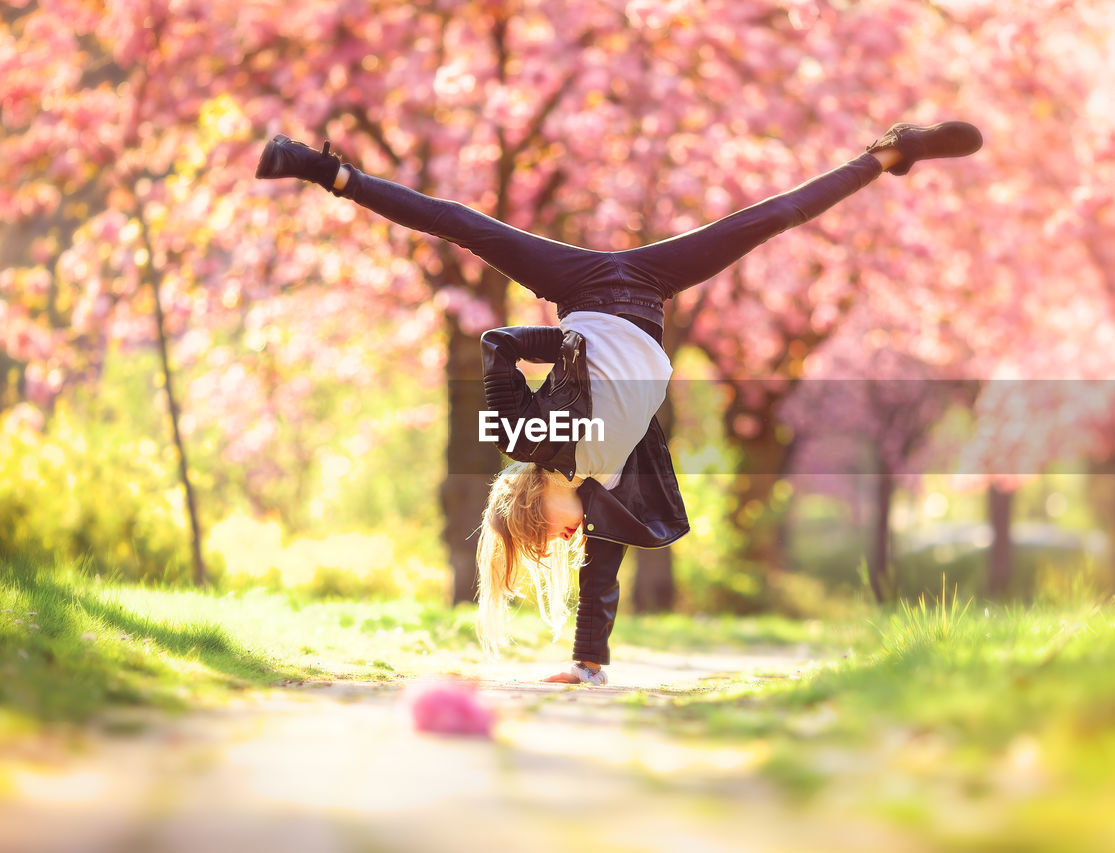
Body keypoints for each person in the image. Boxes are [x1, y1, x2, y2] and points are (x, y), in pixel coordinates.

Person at [256, 120, 982, 684]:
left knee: (463, 224)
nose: (570, 543)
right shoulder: (609, 487)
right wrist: (588, 664)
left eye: (551, 538)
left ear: (541, 508)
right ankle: (891, 156)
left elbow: (496, 343)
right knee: (772, 222)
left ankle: (327, 169)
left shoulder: (521, 433)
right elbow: (601, 575)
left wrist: (567, 344)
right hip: (650, 290)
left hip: (578, 285)